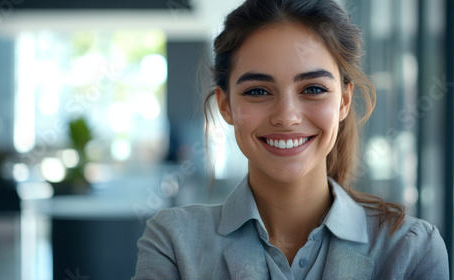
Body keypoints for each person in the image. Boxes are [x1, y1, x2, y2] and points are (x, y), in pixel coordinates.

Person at [132, 0, 450, 279]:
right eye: (258, 91)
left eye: (313, 89)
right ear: (226, 105)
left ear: (343, 101)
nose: (287, 117)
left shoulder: (411, 248)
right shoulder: (173, 241)